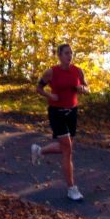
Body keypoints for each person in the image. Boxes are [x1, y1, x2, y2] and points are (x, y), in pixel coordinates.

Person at [31, 43, 89, 202]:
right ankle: (72, 189)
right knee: (68, 150)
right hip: (57, 113)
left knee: (65, 148)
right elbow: (39, 88)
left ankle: (39, 151)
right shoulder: (51, 72)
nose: (69, 56)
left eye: (71, 53)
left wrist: (83, 89)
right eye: (66, 53)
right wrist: (50, 96)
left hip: (72, 112)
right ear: (59, 55)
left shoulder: (77, 70)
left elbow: (86, 86)